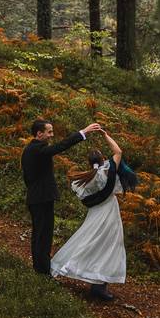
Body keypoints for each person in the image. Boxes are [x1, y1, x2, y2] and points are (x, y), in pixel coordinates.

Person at [51, 129, 130, 301]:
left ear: (89, 162)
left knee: (89, 240)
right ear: (103, 159)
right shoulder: (107, 170)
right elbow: (118, 152)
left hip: (95, 214)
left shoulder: (87, 179)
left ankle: (78, 271)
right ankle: (99, 286)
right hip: (109, 213)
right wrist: (106, 135)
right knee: (108, 246)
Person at [22, 119, 102, 275]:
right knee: (43, 235)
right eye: (49, 132)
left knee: (40, 234)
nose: (52, 135)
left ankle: (40, 268)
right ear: (39, 134)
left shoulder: (31, 149)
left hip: (37, 197)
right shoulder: (37, 150)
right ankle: (43, 271)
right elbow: (60, 146)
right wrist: (83, 133)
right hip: (41, 198)